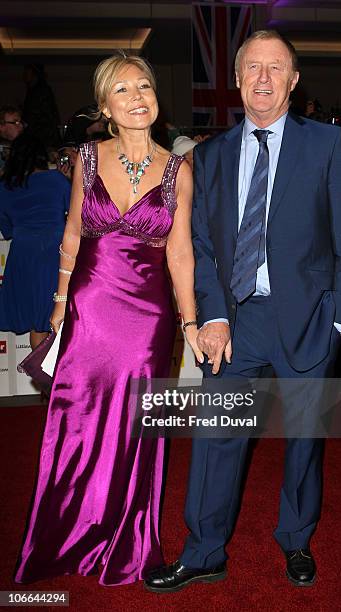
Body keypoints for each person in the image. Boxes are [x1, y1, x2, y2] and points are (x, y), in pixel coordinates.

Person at [144, 30, 341, 593]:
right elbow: (202, 246)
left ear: (293, 81)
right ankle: (204, 551)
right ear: (237, 79)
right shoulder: (210, 156)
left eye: (275, 68)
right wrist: (213, 315)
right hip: (235, 323)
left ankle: (296, 540)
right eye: (252, 68)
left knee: (302, 444)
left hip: (309, 322)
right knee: (218, 438)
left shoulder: (325, 146)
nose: (263, 79)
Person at [14, 53, 201, 586]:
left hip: (148, 316)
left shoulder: (178, 169)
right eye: (122, 90)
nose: (137, 96)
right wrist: (58, 305)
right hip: (89, 307)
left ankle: (127, 538)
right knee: (76, 420)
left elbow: (181, 253)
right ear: (105, 107)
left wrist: (190, 323)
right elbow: (73, 233)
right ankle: (65, 534)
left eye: (145, 85)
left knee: (135, 427)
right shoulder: (87, 159)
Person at [0, 132, 71, 350]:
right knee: (63, 317)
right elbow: (74, 214)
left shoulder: (5, 187)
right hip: (55, 252)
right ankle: (62, 381)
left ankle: (43, 383)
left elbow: (7, 229)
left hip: (24, 254)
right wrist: (67, 180)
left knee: (37, 325)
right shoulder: (57, 180)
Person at [0, 106, 25, 175]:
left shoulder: (22, 146)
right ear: (1, 126)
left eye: (21, 122)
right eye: (16, 122)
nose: (21, 126)